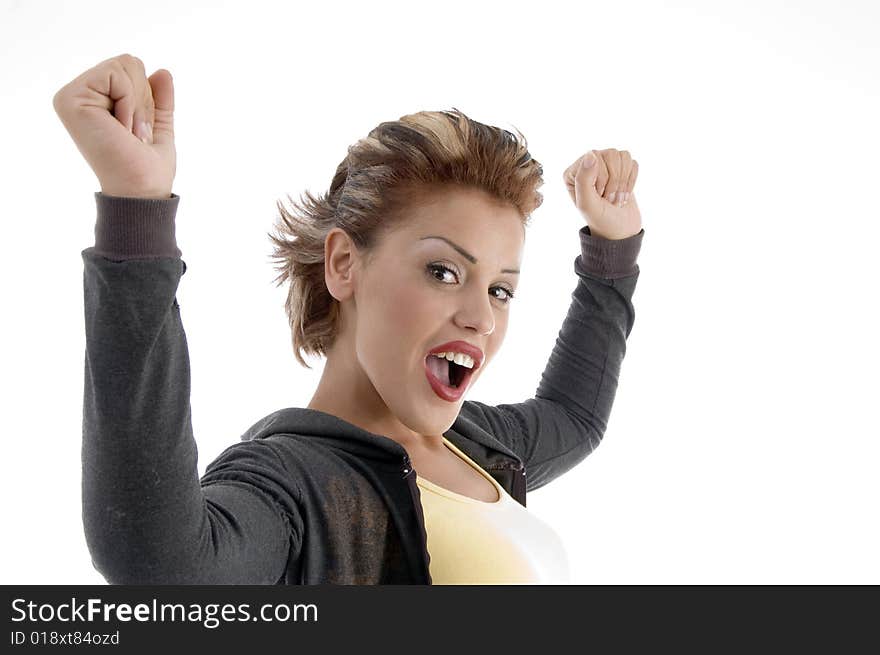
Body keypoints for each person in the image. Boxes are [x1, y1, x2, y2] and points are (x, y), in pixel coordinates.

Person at [54, 53, 644, 585]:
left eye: (500, 290)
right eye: (443, 271)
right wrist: (136, 210)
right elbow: (159, 565)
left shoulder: (477, 445)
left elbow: (575, 415)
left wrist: (611, 251)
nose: (481, 318)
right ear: (343, 264)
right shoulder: (294, 484)